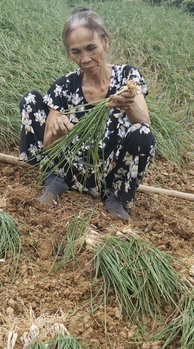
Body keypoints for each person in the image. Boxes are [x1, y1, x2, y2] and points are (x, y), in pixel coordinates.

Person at [19, 7, 155, 220]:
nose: (85, 58)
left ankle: (116, 198)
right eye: (76, 51)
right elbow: (47, 145)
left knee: (143, 133)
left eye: (91, 48)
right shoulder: (64, 86)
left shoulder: (127, 77)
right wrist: (57, 130)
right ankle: (54, 180)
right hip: (70, 169)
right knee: (30, 100)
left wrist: (129, 106)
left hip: (108, 173)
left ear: (105, 42)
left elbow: (145, 123)